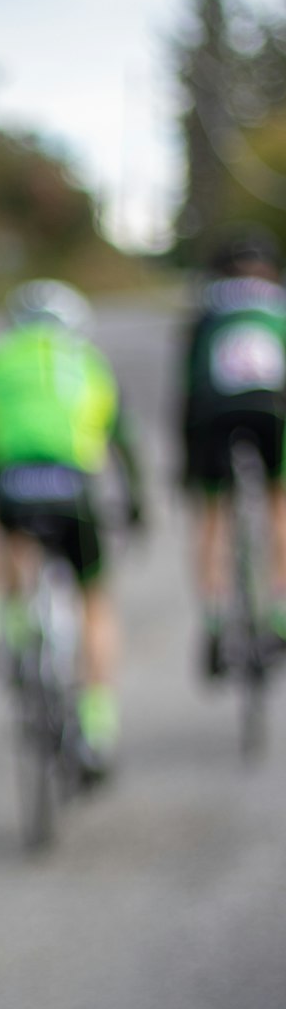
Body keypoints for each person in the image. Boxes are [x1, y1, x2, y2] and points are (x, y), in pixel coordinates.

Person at [0, 278, 144, 778]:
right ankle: (97, 721)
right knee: (94, 598)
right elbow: (119, 437)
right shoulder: (85, 359)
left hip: (12, 484)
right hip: (74, 485)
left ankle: (23, 633)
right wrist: (136, 505)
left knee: (14, 544)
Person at [179, 225, 286, 677]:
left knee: (212, 511)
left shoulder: (208, 306)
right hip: (273, 406)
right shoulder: (278, 302)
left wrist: (187, 458)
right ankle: (279, 613)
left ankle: (215, 619)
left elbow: (188, 384)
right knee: (279, 504)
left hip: (214, 411)